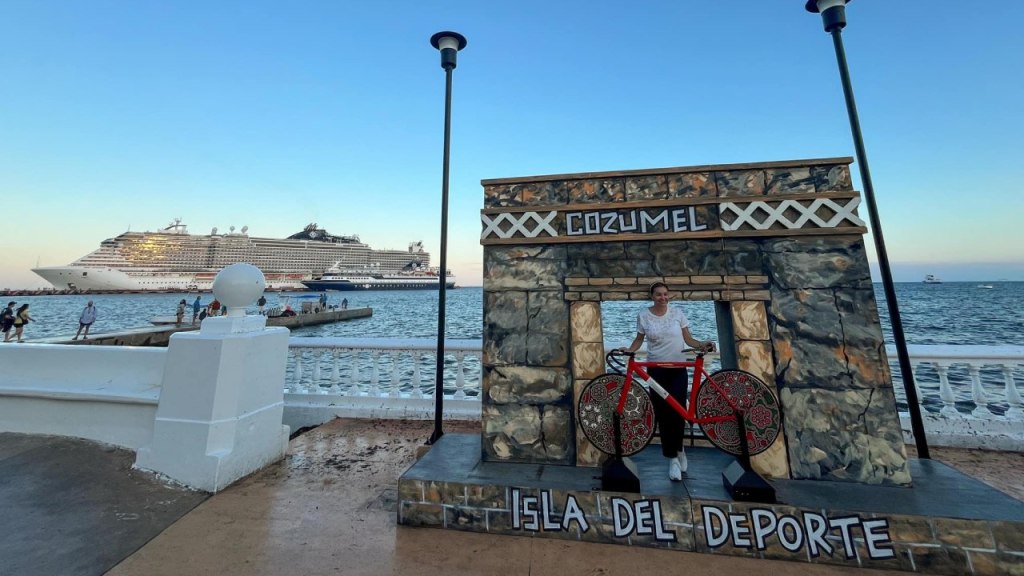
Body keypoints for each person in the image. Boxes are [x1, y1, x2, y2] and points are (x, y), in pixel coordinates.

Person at [615, 282, 715, 482]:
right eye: (659, 294)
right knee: (662, 413)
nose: (663, 297)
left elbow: (689, 340)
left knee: (678, 412)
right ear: (652, 296)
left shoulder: (678, 313)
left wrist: (703, 344)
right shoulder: (644, 315)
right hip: (656, 370)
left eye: (665, 294)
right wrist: (629, 350)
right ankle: (672, 459)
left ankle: (679, 451)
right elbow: (639, 340)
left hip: (677, 369)